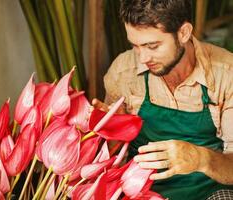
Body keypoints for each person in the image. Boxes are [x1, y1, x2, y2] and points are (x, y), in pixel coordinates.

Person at [92, 0, 233, 199]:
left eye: (152, 46)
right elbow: (112, 157)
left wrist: (201, 158)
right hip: (143, 192)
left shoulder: (227, 74)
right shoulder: (123, 72)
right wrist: (110, 131)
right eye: (135, 46)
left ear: (183, 33)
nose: (142, 58)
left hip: (210, 192)